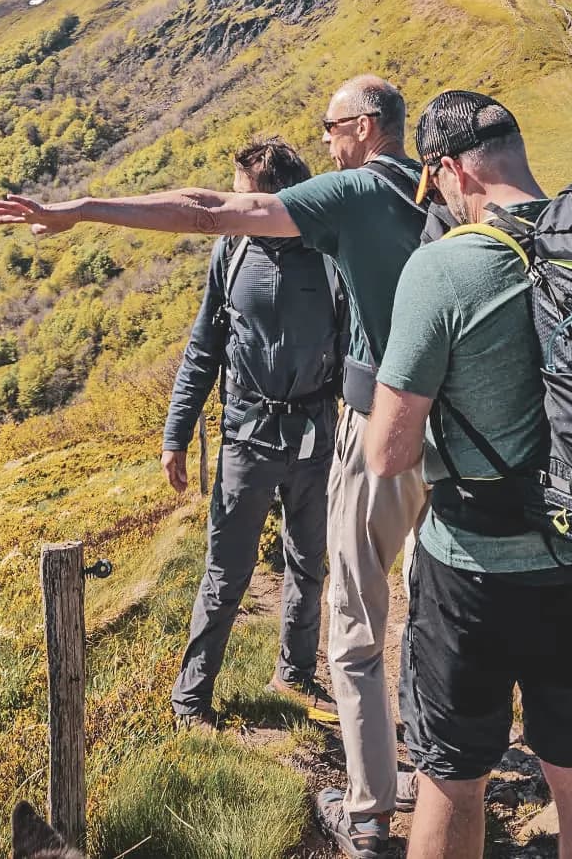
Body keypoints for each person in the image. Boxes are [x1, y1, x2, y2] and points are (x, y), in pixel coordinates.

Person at [0, 73, 429, 859]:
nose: (326, 138)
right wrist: (175, 431)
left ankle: (363, 795)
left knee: (337, 595)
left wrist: (83, 210)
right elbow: (206, 338)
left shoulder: (344, 209)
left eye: (333, 126)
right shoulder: (430, 192)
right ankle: (420, 766)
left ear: (362, 126)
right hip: (416, 430)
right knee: (387, 595)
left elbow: (201, 207)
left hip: (351, 428)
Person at [364, 91, 572, 859]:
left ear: (448, 171)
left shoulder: (443, 268)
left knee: (453, 776)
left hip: (473, 571)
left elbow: (387, 453)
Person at [161, 139, 341, 729]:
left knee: (308, 561)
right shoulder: (231, 251)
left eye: (240, 198)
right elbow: (202, 346)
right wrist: (176, 433)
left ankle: (294, 673)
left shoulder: (331, 252)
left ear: (275, 199)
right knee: (225, 570)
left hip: (316, 434)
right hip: (246, 435)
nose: (228, 209)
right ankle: (191, 700)